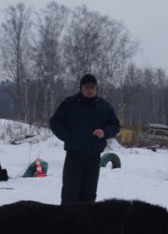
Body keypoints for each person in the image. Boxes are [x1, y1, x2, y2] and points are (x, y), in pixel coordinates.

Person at [49, 74, 120, 204]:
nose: (90, 90)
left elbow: (115, 126)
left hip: (94, 157)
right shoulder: (69, 104)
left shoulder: (104, 107)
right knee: (70, 194)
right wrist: (67, 137)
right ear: (81, 88)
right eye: (86, 87)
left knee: (89, 195)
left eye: (92, 87)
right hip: (74, 156)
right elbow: (55, 122)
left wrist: (104, 132)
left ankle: (86, 218)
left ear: (96, 88)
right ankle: (67, 217)